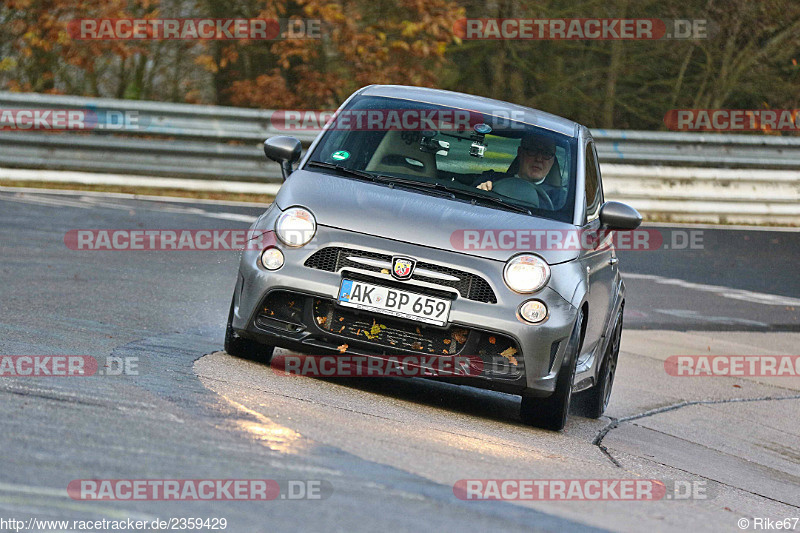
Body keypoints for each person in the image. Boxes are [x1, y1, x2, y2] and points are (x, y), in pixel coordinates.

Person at [475, 134, 567, 209]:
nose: (539, 159)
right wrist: (480, 193)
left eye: (546, 153)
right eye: (532, 150)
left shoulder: (561, 200)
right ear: (520, 153)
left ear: (553, 160)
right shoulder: (490, 179)